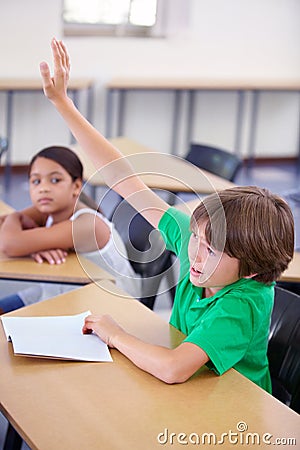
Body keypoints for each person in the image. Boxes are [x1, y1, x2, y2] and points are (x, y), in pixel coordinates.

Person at [38, 38, 294, 388]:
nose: (195, 253)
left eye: (211, 250)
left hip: (233, 413)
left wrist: (116, 334)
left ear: (252, 271)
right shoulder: (203, 247)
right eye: (197, 240)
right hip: (192, 393)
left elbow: (174, 369)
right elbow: (122, 178)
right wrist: (63, 104)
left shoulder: (241, 303)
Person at [0, 145, 140, 313]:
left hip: (108, 308)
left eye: (55, 180)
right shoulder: (49, 208)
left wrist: (14, 218)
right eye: (36, 181)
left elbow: (10, 244)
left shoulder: (86, 224)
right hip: (63, 291)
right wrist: (34, 248)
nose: (43, 188)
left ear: (76, 186)